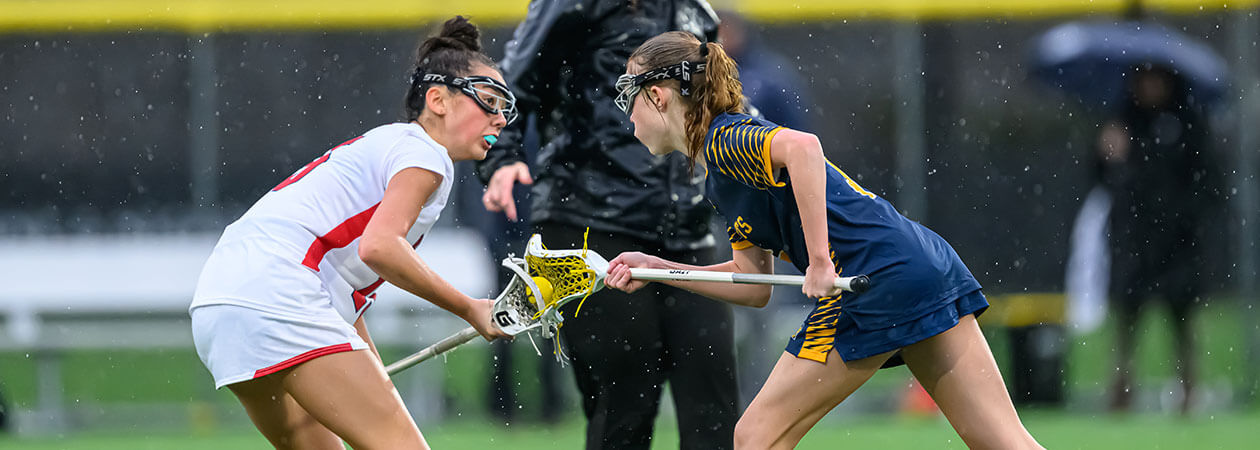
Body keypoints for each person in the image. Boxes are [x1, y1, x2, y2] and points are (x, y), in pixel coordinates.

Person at [603, 31, 1043, 449]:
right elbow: (753, 283)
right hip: (922, 266)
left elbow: (804, 149)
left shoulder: (725, 138)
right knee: (1003, 442)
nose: (629, 114)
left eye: (630, 97)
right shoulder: (720, 170)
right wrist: (661, 270)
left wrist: (819, 261)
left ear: (657, 95)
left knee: (755, 436)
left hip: (874, 282)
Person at [189, 16, 510, 449]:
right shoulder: (426, 156)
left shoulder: (387, 146)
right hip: (281, 292)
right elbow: (380, 248)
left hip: (220, 303)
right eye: (489, 101)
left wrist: (371, 376)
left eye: (505, 108)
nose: (501, 119)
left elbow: (341, 291)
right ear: (438, 99)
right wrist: (470, 307)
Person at [477, 1, 740, 448]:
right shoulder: (574, 5)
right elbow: (511, 84)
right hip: (589, 220)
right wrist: (501, 159)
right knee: (624, 405)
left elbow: (722, 106)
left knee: (717, 407)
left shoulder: (698, 12)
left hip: (688, 227)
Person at [1098, 64, 1220, 414]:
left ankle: (1189, 391)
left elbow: (1209, 184)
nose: (1150, 87)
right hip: (1133, 239)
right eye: (1143, 79)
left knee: (1182, 318)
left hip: (1179, 241)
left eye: (1156, 79)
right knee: (1126, 317)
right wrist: (1107, 156)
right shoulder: (1121, 122)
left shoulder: (1188, 123)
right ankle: (1120, 390)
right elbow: (1102, 180)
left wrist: (1181, 216)